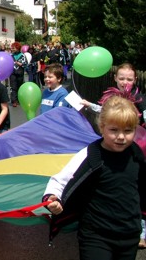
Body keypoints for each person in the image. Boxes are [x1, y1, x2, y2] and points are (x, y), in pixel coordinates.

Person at [42, 96, 146, 259]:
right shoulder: (91, 155)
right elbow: (61, 179)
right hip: (96, 235)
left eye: (127, 131)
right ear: (102, 128)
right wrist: (53, 198)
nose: (121, 137)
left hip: (129, 234)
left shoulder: (137, 154)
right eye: (114, 130)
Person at [81, 63, 146, 125]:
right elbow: (105, 111)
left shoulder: (139, 99)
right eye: (121, 79)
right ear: (115, 78)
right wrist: (89, 105)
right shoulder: (113, 96)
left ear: (135, 80)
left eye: (129, 80)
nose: (125, 82)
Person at [9, 42, 27, 107]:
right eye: (12, 48)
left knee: (20, 87)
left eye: (14, 48)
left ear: (17, 48)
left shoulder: (22, 55)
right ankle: (14, 101)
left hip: (20, 73)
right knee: (13, 87)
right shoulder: (11, 56)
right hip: (12, 73)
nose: (12, 49)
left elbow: (25, 64)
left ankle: (19, 99)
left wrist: (20, 64)